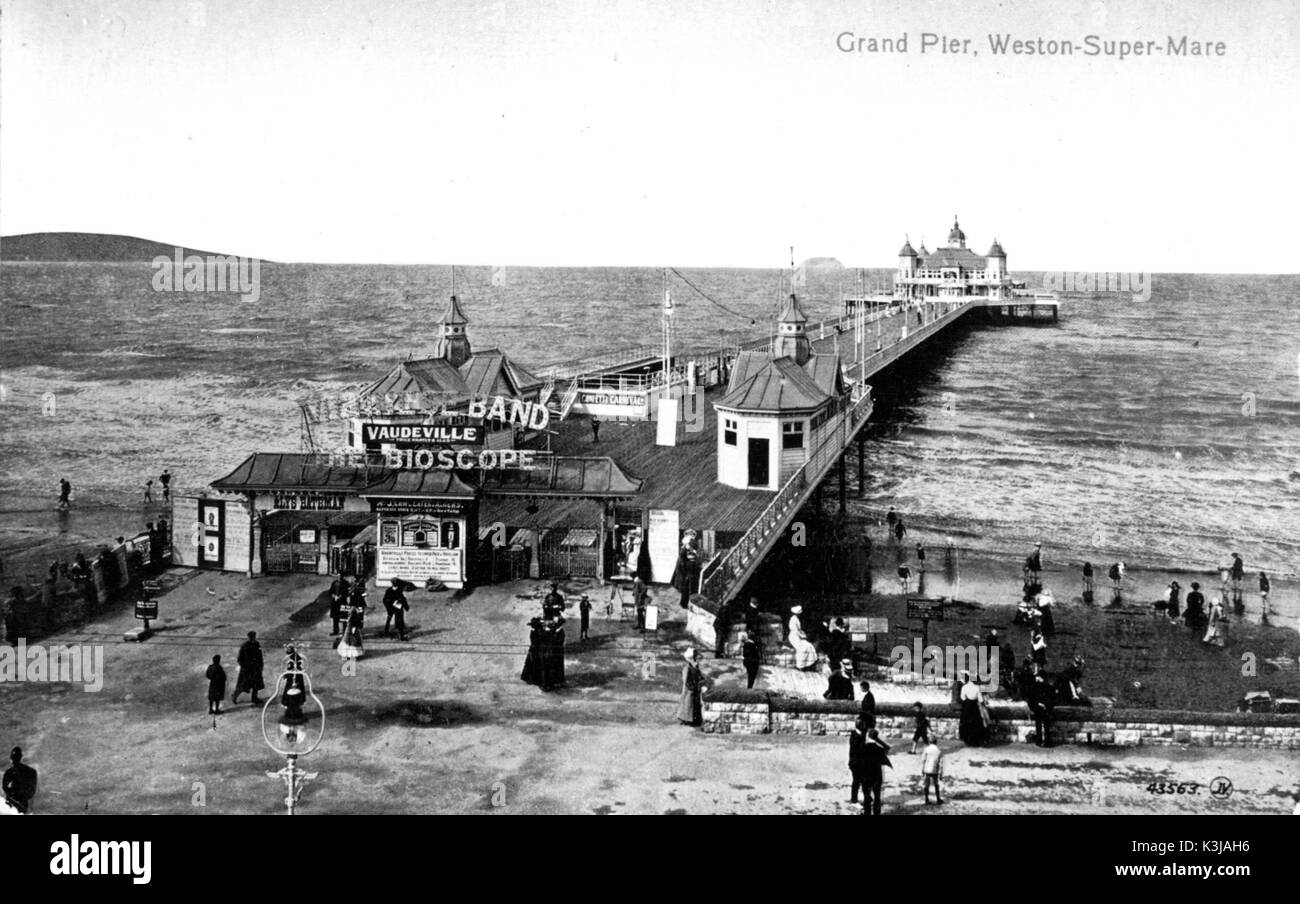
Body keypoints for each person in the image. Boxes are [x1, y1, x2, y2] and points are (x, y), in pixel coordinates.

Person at [860, 729, 892, 815]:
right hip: (877, 775)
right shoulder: (880, 749)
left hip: (866, 775)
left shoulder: (863, 748)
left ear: (868, 736)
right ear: (876, 737)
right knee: (877, 796)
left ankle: (867, 813)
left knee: (866, 796)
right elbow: (887, 748)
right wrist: (877, 740)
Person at [231, 631, 264, 705]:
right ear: (249, 637)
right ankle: (234, 696)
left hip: (255, 668)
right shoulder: (244, 646)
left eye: (254, 636)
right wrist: (245, 666)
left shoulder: (257, 644)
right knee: (243, 685)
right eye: (252, 637)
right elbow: (239, 659)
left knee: (256, 684)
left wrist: (261, 666)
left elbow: (260, 656)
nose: (253, 638)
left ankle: (254, 698)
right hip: (247, 670)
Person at [2, 747, 37, 814]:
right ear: (21, 757)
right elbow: (31, 791)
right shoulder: (31, 771)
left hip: (12, 805)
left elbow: (5, 788)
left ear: (11, 759)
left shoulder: (9, 772)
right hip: (22, 804)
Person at [677, 648, 706, 726]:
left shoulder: (696, 668)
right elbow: (686, 680)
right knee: (687, 704)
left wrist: (701, 682)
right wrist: (691, 688)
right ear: (690, 659)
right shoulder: (687, 668)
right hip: (689, 690)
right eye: (694, 658)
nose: (696, 660)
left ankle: (694, 720)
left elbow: (700, 676)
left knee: (695, 705)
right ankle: (686, 720)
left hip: (696, 689)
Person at [1026, 663, 1054, 746]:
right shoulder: (1046, 686)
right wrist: (1043, 705)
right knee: (1045, 724)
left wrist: (1042, 705)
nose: (1036, 678)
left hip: (1041, 708)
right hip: (1042, 707)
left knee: (1040, 723)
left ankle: (1041, 740)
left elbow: (1031, 698)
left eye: (1038, 677)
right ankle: (1045, 740)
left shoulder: (1038, 686)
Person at [671, 535, 701, 609]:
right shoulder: (685, 551)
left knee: (686, 590)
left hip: (685, 573)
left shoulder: (687, 550)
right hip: (686, 574)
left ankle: (684, 603)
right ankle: (684, 603)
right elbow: (684, 563)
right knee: (686, 590)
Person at [958, 672, 985, 746]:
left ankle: (967, 739)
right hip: (974, 707)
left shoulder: (964, 687)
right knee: (976, 723)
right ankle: (976, 740)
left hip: (966, 707)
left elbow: (962, 698)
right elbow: (981, 700)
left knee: (966, 723)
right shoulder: (977, 687)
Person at [787, 605, 818, 670]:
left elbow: (799, 630)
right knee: (803, 648)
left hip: (797, 635)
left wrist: (803, 635)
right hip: (794, 637)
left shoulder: (797, 619)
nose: (800, 615)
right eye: (799, 613)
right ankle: (800, 666)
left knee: (809, 646)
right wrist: (802, 636)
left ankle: (808, 664)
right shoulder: (793, 619)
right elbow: (795, 630)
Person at [848, 716, 870, 806]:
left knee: (862, 781)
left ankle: (863, 798)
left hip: (861, 763)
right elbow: (860, 750)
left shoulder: (860, 734)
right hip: (856, 763)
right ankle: (854, 800)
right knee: (856, 781)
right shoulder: (855, 737)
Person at [521, 617, 544, 686]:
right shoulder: (536, 631)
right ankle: (534, 678)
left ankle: (532, 678)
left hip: (535, 649)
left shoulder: (535, 631)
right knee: (534, 663)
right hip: (536, 649)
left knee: (533, 663)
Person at [921, 736, 943, 805]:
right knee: (936, 784)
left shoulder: (926, 749)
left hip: (927, 769)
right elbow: (941, 764)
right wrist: (941, 774)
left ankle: (926, 799)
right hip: (935, 770)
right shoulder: (938, 751)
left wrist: (922, 769)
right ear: (936, 742)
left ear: (929, 742)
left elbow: (923, 760)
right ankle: (938, 799)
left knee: (926, 785)